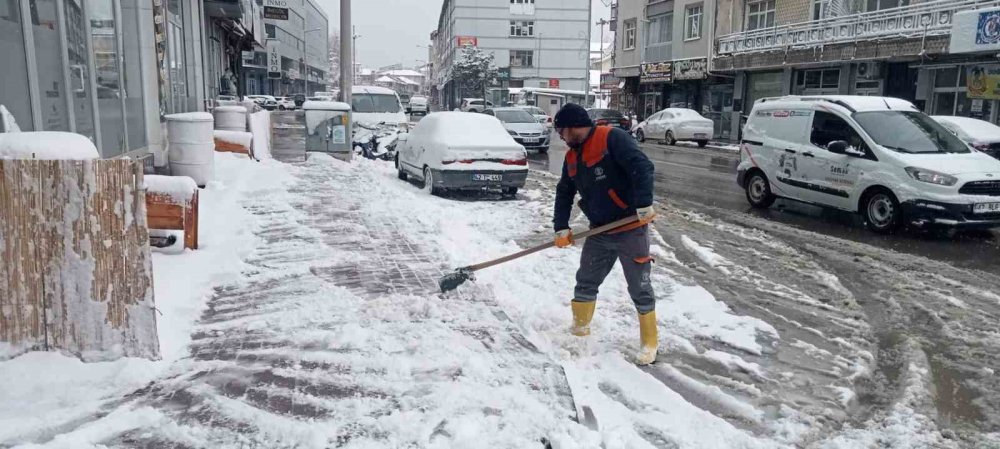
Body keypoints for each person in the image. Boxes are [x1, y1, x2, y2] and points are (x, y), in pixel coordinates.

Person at [551, 103, 659, 365]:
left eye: (561, 132)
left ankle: (649, 342)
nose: (561, 138)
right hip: (599, 230)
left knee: (639, 286)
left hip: (630, 227)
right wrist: (560, 226)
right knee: (586, 281)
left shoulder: (611, 137)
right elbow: (565, 191)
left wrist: (644, 203)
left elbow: (642, 166)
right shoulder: (572, 156)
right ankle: (579, 331)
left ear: (572, 127)